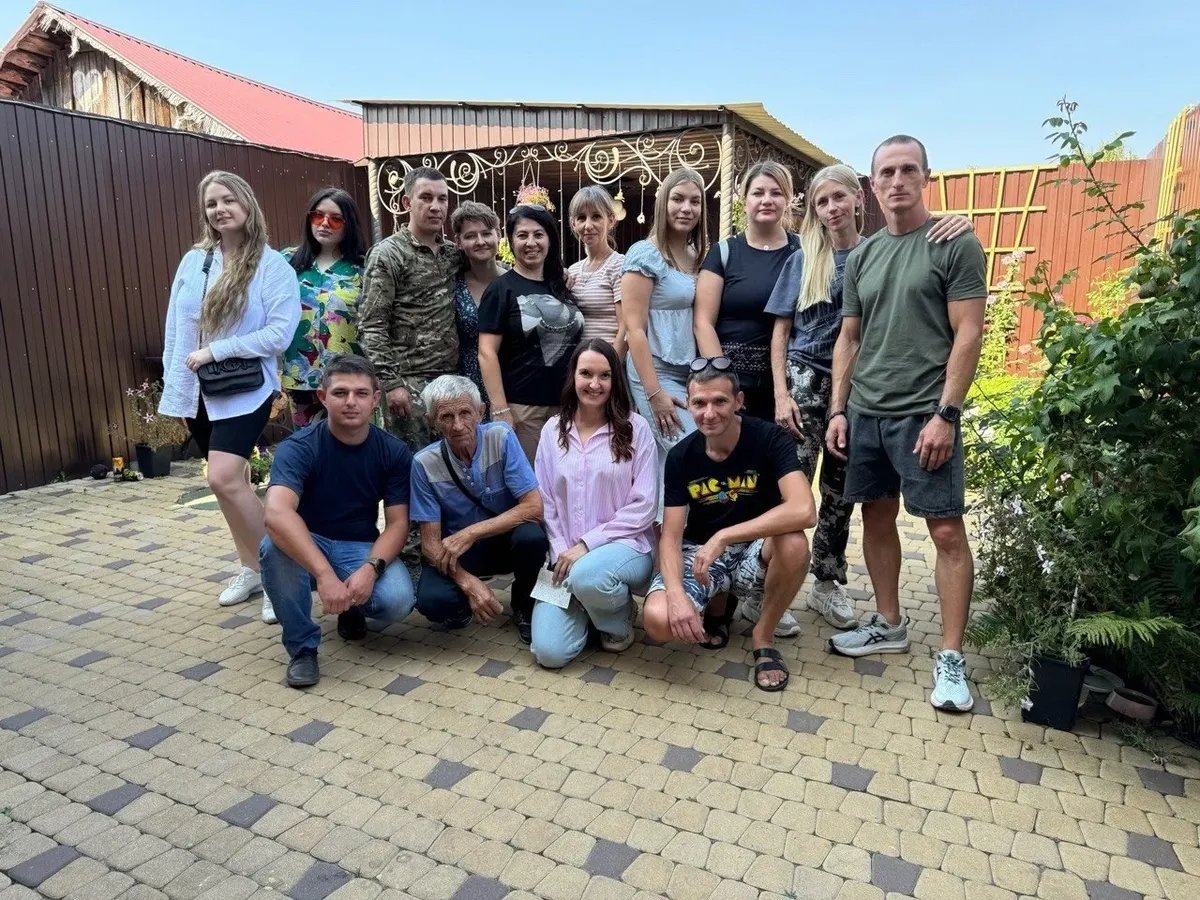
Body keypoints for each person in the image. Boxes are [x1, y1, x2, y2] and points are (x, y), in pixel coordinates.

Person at [766, 165, 973, 629]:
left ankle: (826, 580)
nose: (831, 208)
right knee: (791, 486)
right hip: (804, 384)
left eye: (839, 197)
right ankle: (772, 586)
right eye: (821, 202)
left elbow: (923, 246)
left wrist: (962, 222)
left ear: (859, 199)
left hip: (858, 391)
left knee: (841, 496)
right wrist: (781, 393)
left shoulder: (876, 253)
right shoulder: (802, 258)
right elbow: (780, 330)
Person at [825, 135, 987, 712]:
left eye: (907, 170)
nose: (897, 181)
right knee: (876, 516)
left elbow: (969, 332)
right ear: (873, 185)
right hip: (867, 411)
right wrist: (839, 409)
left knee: (945, 531)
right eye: (886, 172)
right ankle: (889, 623)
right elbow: (849, 337)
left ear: (925, 177)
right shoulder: (863, 255)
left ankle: (950, 657)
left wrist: (948, 413)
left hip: (925, 413)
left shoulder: (953, 241)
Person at [159, 170, 299, 625]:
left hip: (244, 387)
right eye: (211, 203)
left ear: (247, 203)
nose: (220, 209)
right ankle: (251, 567)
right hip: (199, 390)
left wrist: (216, 350)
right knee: (228, 484)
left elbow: (280, 332)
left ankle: (281, 572)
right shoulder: (195, 261)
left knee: (222, 478)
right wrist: (177, 390)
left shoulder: (271, 265)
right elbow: (176, 328)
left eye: (228, 200)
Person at [642, 358, 815, 691]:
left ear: (739, 401)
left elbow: (805, 510)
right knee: (658, 622)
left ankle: (763, 636)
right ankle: (718, 608)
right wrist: (676, 595)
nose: (709, 413)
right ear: (688, 405)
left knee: (794, 543)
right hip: (701, 555)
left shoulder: (770, 439)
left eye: (720, 401)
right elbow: (671, 536)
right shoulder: (680, 457)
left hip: (754, 549)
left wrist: (724, 535)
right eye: (699, 403)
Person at [259, 355, 415, 688]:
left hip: (356, 545)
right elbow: (276, 513)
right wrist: (324, 574)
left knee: (398, 600)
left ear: (376, 399)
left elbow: (399, 524)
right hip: (306, 542)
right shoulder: (298, 448)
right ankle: (302, 648)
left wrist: (370, 569)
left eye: (361, 393)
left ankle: (352, 607)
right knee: (273, 548)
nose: (351, 402)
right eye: (340, 392)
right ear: (322, 397)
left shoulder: (393, 452)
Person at [530, 339, 657, 668]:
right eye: (586, 373)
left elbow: (644, 506)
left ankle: (618, 619)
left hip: (625, 547)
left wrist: (588, 544)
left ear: (616, 380)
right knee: (548, 653)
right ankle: (594, 607)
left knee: (589, 576)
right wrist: (560, 549)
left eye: (605, 375)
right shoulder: (552, 430)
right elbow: (545, 500)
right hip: (566, 556)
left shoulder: (635, 429)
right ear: (573, 375)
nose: (594, 384)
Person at [409, 375, 550, 643]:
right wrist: (467, 582)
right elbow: (430, 545)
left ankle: (524, 606)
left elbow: (534, 507)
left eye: (465, 413)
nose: (458, 425)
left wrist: (471, 533)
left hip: (501, 541)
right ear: (431, 421)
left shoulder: (501, 436)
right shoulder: (423, 463)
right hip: (460, 552)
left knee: (532, 537)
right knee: (433, 601)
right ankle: (465, 605)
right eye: (446, 417)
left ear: (481, 412)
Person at [358, 167, 463, 451]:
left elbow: (487, 270)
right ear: (407, 203)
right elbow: (371, 325)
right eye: (426, 198)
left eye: (442, 199)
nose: (435, 206)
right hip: (408, 385)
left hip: (451, 382)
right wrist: (391, 384)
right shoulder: (389, 254)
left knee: (452, 471)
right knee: (411, 472)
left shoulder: (452, 254)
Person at [478, 204, 584, 461]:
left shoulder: (562, 285)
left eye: (538, 234)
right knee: (533, 488)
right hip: (524, 410)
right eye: (522, 235)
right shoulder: (501, 289)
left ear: (550, 239)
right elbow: (486, 352)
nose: (531, 242)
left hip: (569, 406)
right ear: (511, 241)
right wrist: (501, 409)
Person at [695, 161, 800, 418]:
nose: (767, 200)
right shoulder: (724, 252)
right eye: (758, 193)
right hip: (732, 387)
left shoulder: (803, 253)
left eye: (776, 193)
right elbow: (702, 323)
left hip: (788, 387)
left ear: (787, 199)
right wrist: (724, 383)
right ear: (744, 199)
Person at [621, 168, 705, 477]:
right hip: (653, 371)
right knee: (689, 448)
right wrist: (654, 394)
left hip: (688, 372)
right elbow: (634, 329)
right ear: (663, 204)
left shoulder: (695, 254)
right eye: (678, 199)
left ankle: (663, 524)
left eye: (695, 202)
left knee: (664, 463)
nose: (686, 208)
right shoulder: (646, 254)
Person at [281, 187, 368, 428]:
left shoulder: (364, 268)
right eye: (318, 216)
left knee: (352, 444)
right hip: (300, 377)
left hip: (350, 379)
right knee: (307, 448)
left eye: (335, 219)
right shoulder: (287, 263)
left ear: (348, 223)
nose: (325, 223)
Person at [450, 201, 506, 412]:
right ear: (458, 241)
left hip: (511, 386)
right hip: (467, 387)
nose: (480, 241)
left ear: (498, 234)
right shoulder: (452, 285)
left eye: (486, 233)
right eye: (470, 236)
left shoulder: (514, 282)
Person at [566, 186, 625, 354]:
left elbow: (626, 327)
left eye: (596, 216)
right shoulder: (573, 271)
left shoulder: (619, 265)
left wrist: (612, 368)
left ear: (611, 220)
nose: (588, 225)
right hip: (579, 366)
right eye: (581, 218)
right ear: (573, 223)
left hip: (609, 363)